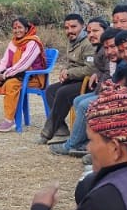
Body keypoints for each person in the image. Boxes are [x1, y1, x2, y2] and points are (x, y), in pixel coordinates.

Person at [0, 18, 47, 132]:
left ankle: (9, 120)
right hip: (15, 75)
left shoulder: (33, 42)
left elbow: (23, 64)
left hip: (32, 77)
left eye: (20, 28)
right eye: (15, 28)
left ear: (26, 29)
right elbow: (5, 62)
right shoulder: (13, 43)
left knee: (11, 84)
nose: (17, 30)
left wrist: (5, 75)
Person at [36, 14, 94, 144]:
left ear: (83, 26)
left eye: (74, 27)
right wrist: (64, 71)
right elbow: (70, 63)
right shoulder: (72, 41)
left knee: (62, 93)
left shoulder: (88, 43)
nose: (70, 31)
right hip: (75, 79)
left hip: (87, 82)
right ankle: (61, 130)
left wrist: (69, 73)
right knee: (50, 90)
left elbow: (90, 69)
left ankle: (48, 132)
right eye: (66, 28)